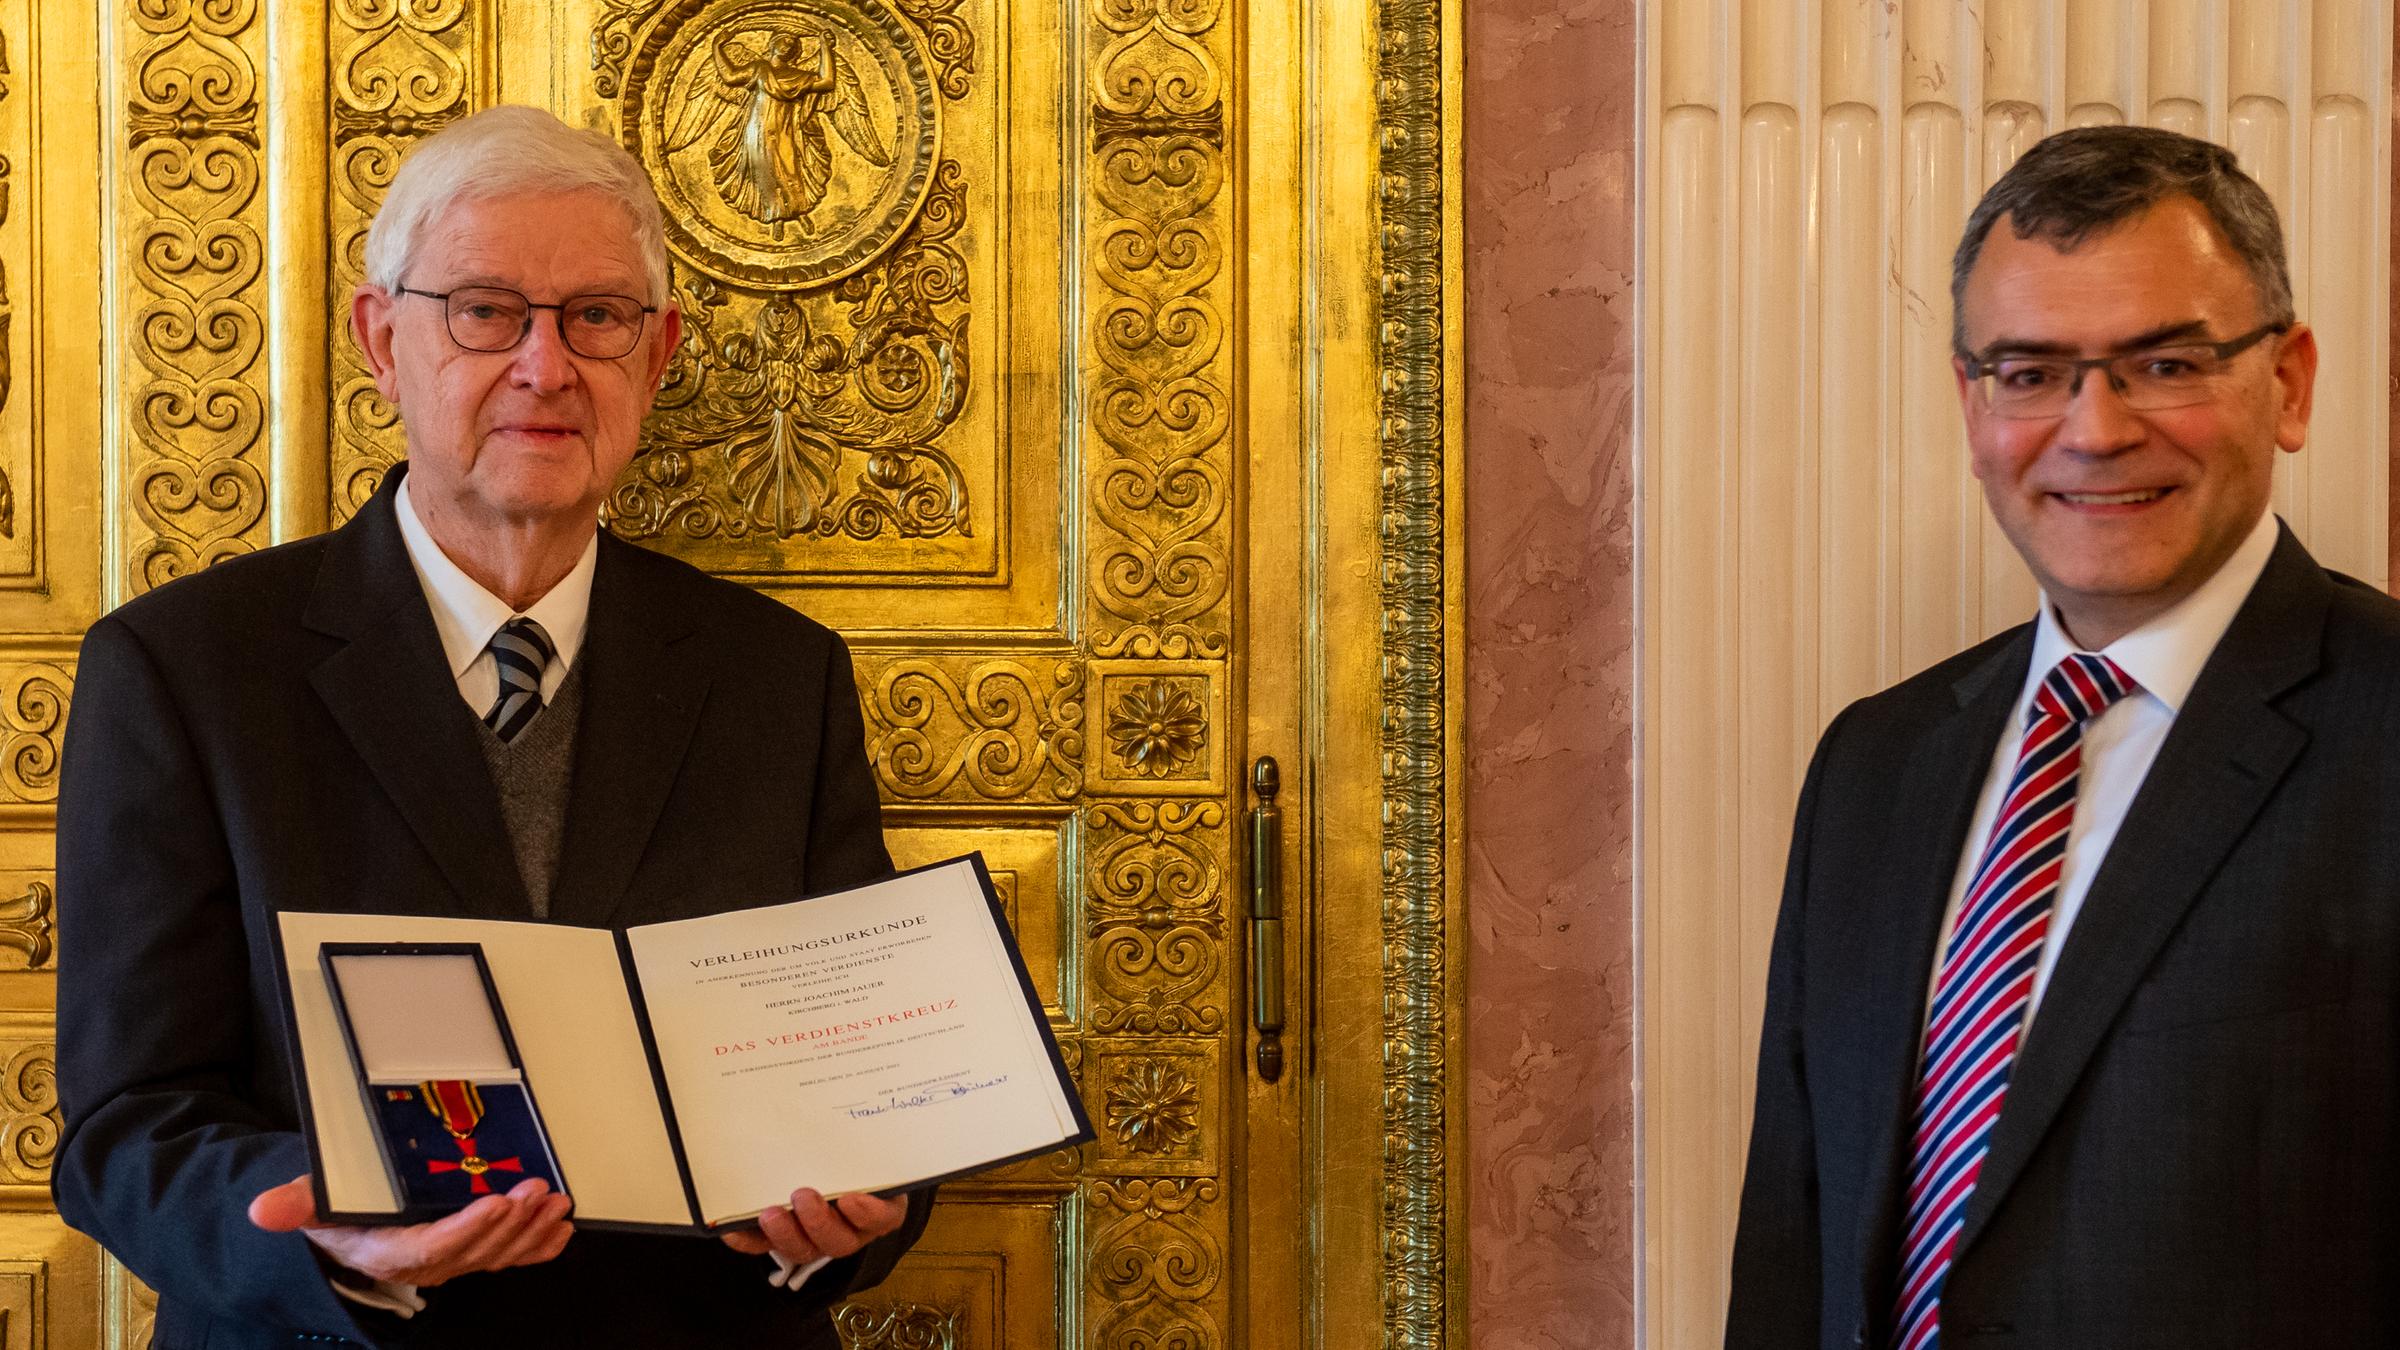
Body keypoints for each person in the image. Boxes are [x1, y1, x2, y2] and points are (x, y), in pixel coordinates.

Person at [52, 105, 931, 1348]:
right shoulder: (183, 669)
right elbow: (125, 1126)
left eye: (598, 317)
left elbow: (870, 1078)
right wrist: (329, 1243)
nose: (546, 365)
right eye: (484, 310)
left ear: (660, 350)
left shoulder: (779, 675)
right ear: (380, 336)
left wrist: (873, 1197)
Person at [1727, 125, 2400, 1348]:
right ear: (1971, 400)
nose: (2093, 430)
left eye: (2165, 364)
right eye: (2030, 372)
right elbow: (1794, 1238)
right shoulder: (1873, 768)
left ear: (2290, 383)